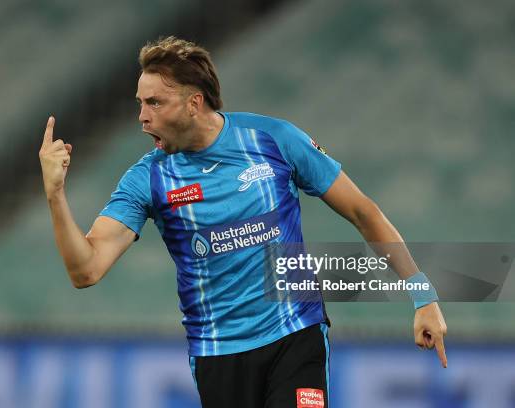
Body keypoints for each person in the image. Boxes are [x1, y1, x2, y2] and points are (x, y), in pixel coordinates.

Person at [39, 36, 447, 407]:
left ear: (194, 103)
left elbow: (363, 212)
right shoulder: (148, 178)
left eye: (154, 103)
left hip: (295, 335)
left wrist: (422, 295)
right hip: (218, 354)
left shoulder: (272, 140)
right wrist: (56, 196)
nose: (142, 117)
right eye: (140, 103)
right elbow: (86, 269)